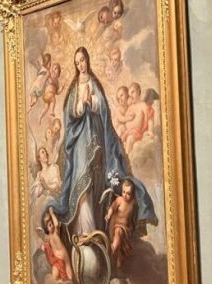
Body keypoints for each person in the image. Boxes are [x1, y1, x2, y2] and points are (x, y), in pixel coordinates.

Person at [49, 47, 156, 239]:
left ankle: (93, 230)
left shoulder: (94, 83)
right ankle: (81, 231)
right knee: (80, 179)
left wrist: (92, 100)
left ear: (87, 60)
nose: (80, 65)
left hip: (95, 137)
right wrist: (81, 105)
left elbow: (104, 109)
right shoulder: (74, 88)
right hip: (79, 140)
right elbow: (70, 114)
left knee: (94, 181)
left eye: (82, 60)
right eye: (77, 62)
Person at [105, 178, 137, 269]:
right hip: (115, 225)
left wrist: (132, 226)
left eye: (128, 193)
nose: (125, 195)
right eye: (123, 192)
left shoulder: (133, 204)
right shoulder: (119, 200)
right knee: (118, 236)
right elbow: (112, 208)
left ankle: (115, 253)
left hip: (125, 227)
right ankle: (112, 251)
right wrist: (108, 215)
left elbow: (133, 217)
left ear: (132, 194)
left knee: (119, 241)